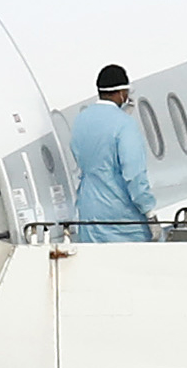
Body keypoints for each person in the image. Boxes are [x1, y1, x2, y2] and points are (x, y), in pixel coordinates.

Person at [70, 64, 156, 242]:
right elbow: (134, 174)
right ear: (121, 92)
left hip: (89, 212)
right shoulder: (125, 124)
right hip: (121, 216)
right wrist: (149, 212)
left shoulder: (81, 120)